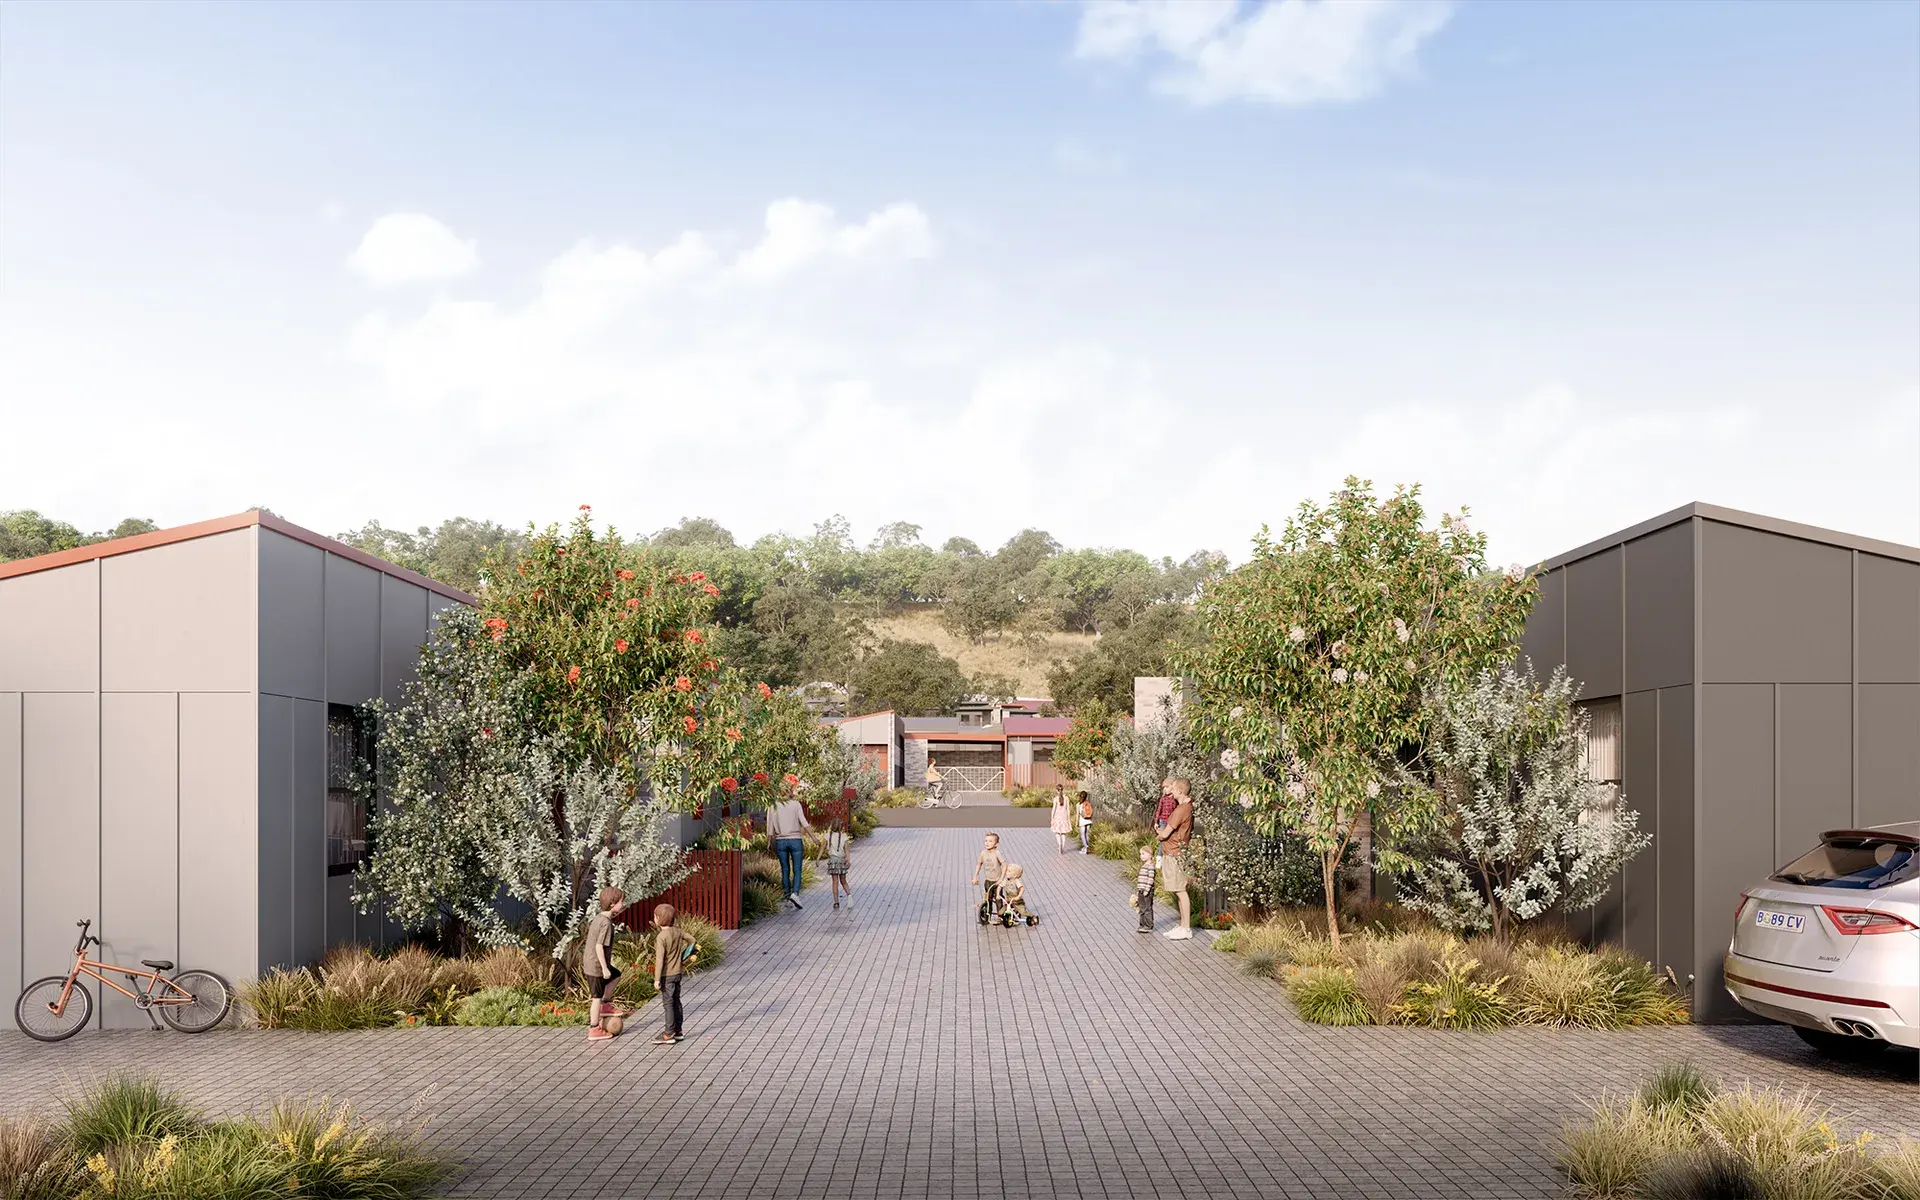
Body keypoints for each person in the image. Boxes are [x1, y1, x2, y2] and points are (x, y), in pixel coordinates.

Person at [583, 886, 626, 1041]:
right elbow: (598, 946)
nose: (623, 904)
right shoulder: (606, 924)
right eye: (621, 901)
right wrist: (604, 968)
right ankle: (594, 1028)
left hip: (591, 964)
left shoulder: (599, 918)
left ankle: (606, 1004)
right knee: (596, 997)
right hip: (595, 967)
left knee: (616, 975)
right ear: (612, 903)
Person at [1157, 778, 1195, 940]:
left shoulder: (1181, 810)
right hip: (1174, 851)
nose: (1170, 791)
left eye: (1173, 788)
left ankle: (1186, 928)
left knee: (1181, 890)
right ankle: (1182, 925)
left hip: (1174, 852)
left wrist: (1159, 832)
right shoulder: (1185, 807)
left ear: (1180, 791)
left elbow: (1165, 833)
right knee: (1178, 890)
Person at [765, 780, 812, 909]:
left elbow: (769, 826)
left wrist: (769, 841)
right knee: (797, 870)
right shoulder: (796, 804)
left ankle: (787, 897)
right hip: (795, 840)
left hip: (780, 840)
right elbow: (804, 822)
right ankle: (795, 894)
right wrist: (813, 837)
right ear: (789, 790)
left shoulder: (773, 805)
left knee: (785, 870)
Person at [651, 902, 692, 1045]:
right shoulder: (677, 931)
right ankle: (678, 1031)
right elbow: (692, 940)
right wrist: (685, 956)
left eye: (655, 916)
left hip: (666, 975)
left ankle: (668, 1033)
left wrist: (657, 979)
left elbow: (660, 960)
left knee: (668, 1004)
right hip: (678, 974)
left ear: (659, 919)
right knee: (676, 1001)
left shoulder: (661, 936)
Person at [971, 832, 1006, 923]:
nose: (987, 843)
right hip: (988, 881)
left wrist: (1001, 878)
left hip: (997, 881)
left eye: (990, 841)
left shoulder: (997, 853)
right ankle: (987, 915)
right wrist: (975, 876)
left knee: (998, 898)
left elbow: (1004, 865)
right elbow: (979, 864)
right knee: (988, 899)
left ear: (996, 844)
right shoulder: (983, 853)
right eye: (986, 841)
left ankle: (1000, 916)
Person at [826, 816, 852, 909]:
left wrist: (818, 858)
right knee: (843, 881)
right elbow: (847, 850)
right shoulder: (844, 837)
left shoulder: (828, 836)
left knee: (835, 882)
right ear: (841, 827)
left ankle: (836, 902)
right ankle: (849, 896)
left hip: (833, 861)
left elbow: (822, 846)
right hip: (841, 861)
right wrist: (848, 861)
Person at [1133, 844, 1156, 933]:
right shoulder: (1144, 866)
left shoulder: (1150, 866)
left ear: (1150, 855)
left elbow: (1150, 879)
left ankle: (1148, 925)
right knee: (1142, 908)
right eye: (1141, 854)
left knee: (1147, 908)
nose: (1141, 856)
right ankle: (1142, 924)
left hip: (1147, 891)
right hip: (1141, 890)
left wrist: (1147, 890)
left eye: (1143, 854)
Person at [1049, 784, 1074, 855]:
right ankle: (1062, 846)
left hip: (1057, 817)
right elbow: (1068, 809)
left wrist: (1052, 818)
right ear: (1062, 790)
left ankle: (1059, 845)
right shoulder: (1066, 798)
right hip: (1064, 817)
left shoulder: (1055, 799)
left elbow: (1054, 809)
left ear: (1057, 790)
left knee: (1057, 832)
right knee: (1063, 833)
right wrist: (1068, 818)